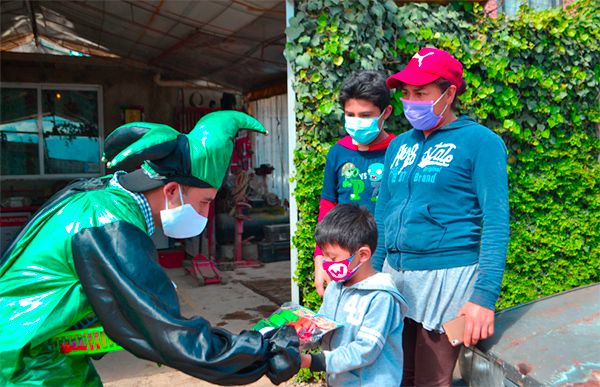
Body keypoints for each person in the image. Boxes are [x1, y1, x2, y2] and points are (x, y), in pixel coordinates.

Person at [0, 111, 300, 386]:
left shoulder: (104, 196)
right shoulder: (108, 224)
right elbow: (167, 333)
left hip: (39, 345)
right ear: (171, 190)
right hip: (24, 360)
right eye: (204, 202)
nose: (206, 214)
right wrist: (260, 351)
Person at [373, 47, 510, 386]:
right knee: (394, 373)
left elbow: (496, 221)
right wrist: (371, 275)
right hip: (396, 278)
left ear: (449, 93)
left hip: (450, 284)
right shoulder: (398, 146)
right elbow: (383, 212)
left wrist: (483, 298)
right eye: (406, 94)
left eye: (421, 93)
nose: (410, 102)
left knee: (433, 379)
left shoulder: (481, 142)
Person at [302, 204, 407, 386]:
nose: (326, 263)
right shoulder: (335, 288)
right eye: (324, 256)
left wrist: (313, 362)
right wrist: (298, 339)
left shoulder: (381, 297)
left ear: (363, 254)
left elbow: (365, 349)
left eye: (332, 258)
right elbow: (322, 326)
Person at [314, 70, 396, 296]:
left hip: (391, 258)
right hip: (346, 259)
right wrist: (320, 257)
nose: (357, 122)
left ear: (385, 112)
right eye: (350, 114)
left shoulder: (399, 150)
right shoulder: (338, 152)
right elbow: (327, 207)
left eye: (365, 115)